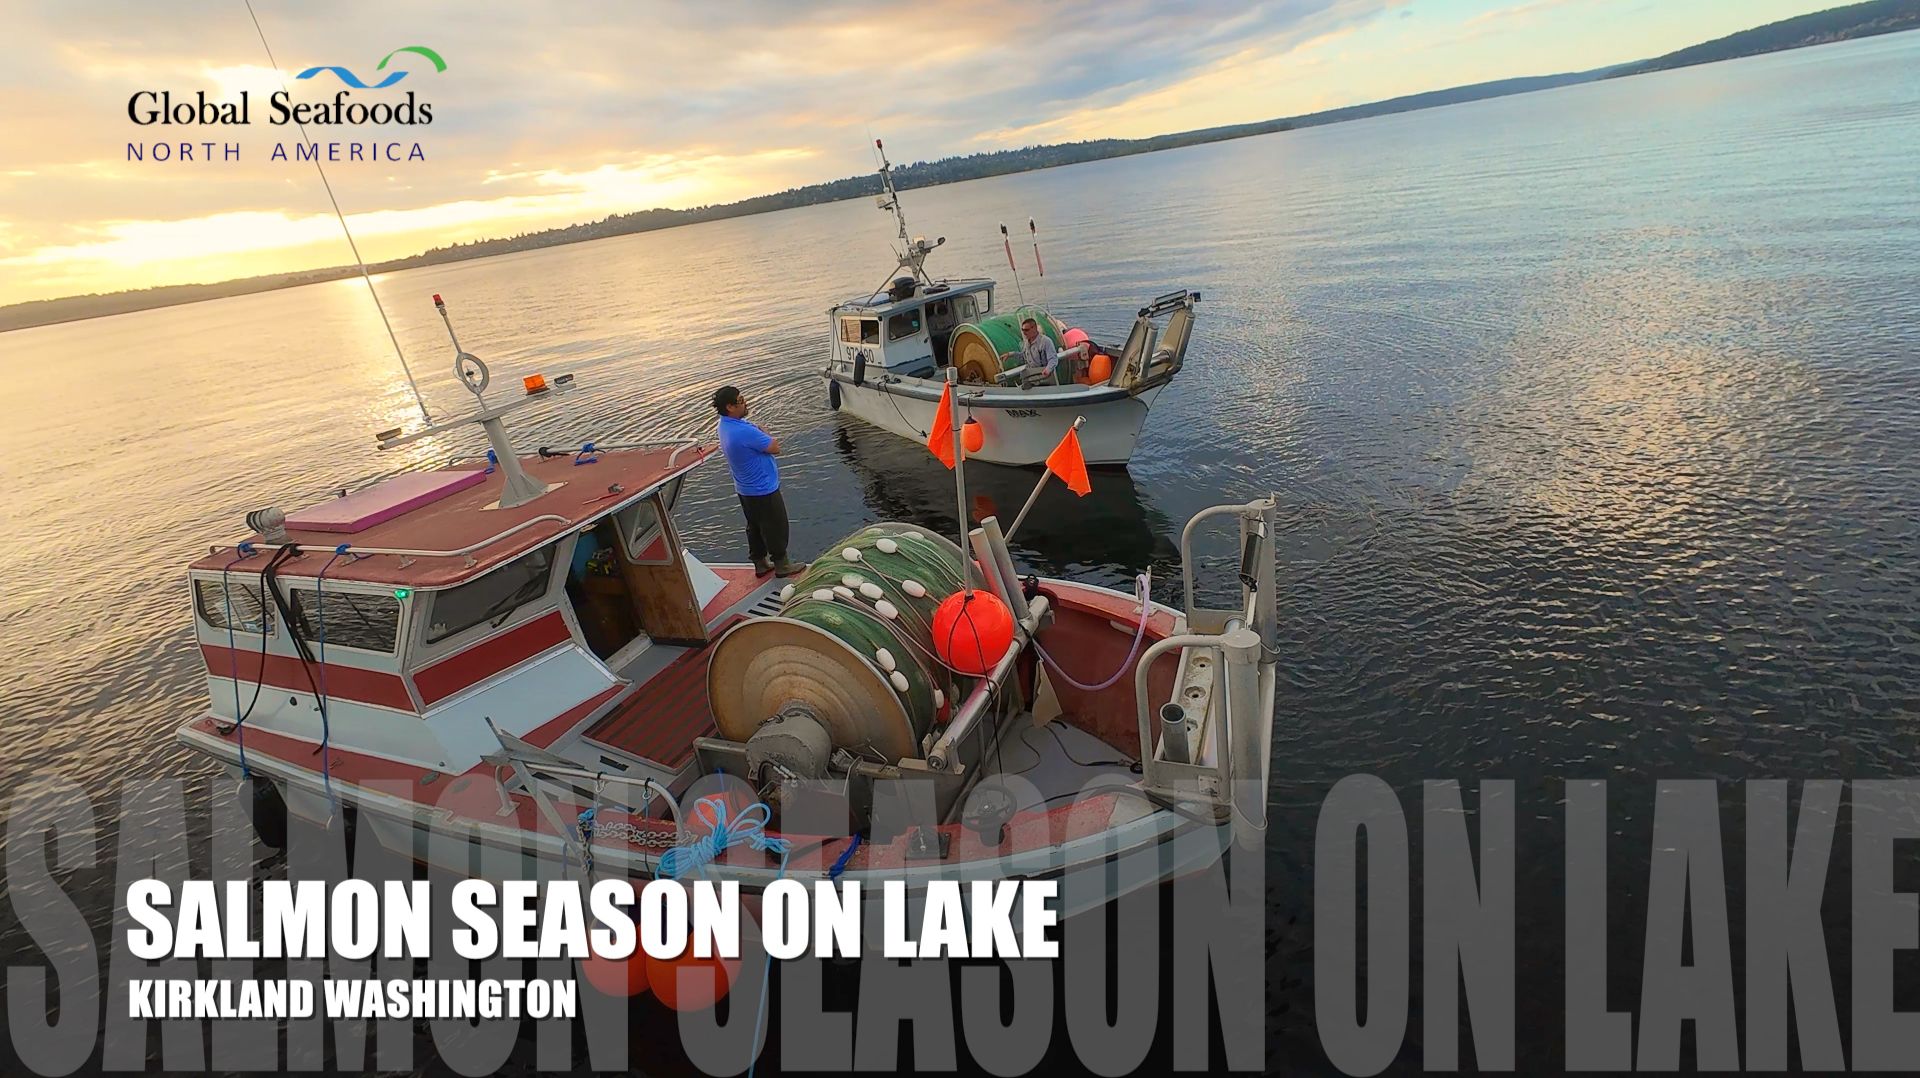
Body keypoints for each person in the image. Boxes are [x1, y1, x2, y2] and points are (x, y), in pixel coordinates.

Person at [713, 385, 804, 577]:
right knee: (776, 525)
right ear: (730, 407)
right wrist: (765, 433)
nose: (745, 403)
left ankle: (760, 563)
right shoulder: (743, 431)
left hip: (744, 488)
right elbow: (775, 447)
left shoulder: (723, 426)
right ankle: (782, 565)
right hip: (763, 488)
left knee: (754, 526)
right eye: (741, 400)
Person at [1017, 317, 1059, 387]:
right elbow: (1024, 356)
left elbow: (1053, 358)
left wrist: (1048, 370)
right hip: (1031, 376)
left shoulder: (1046, 341)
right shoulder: (1026, 343)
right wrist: (1011, 354)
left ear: (1034, 328)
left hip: (1044, 376)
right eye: (1022, 330)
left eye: (1026, 330)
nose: (1024, 333)